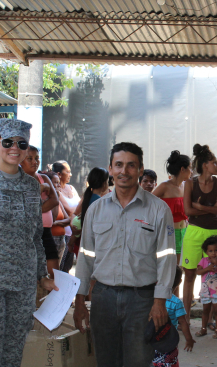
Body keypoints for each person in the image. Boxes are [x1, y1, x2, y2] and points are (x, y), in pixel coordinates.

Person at [73, 142, 177, 367]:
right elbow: (85, 256)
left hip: (142, 301)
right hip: (102, 298)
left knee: (138, 361)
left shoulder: (158, 209)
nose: (124, 171)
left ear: (140, 170)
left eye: (131, 166)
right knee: (106, 361)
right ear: (110, 169)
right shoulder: (96, 210)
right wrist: (80, 298)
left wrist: (160, 301)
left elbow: (167, 257)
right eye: (118, 165)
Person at [0, 119, 57, 366]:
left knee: (13, 356)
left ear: (28, 148)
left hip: (22, 284)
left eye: (22, 143)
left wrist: (42, 275)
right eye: (7, 142)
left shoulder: (32, 187)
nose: (14, 148)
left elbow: (36, 236)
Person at [181, 144, 217, 324]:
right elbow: (187, 211)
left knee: (215, 273)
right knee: (190, 274)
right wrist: (210, 209)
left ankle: (213, 318)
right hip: (194, 231)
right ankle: (185, 317)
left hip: (214, 231)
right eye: (214, 162)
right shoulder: (190, 183)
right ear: (205, 165)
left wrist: (199, 207)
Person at [153, 151, 192, 296]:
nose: (191, 171)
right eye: (190, 167)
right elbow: (149, 203)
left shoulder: (185, 186)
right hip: (169, 232)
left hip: (185, 231)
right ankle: (166, 297)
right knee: (171, 267)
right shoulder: (164, 186)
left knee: (180, 267)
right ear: (182, 169)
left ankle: (175, 298)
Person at [20, 145, 60, 277]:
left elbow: (54, 201)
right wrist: (41, 189)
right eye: (29, 158)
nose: (34, 162)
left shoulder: (44, 178)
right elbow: (21, 203)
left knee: (53, 269)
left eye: (37, 158)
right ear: (21, 160)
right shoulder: (17, 180)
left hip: (45, 229)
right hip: (26, 231)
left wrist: (35, 209)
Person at [152, 266, 195, 367]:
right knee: (170, 363)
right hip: (170, 341)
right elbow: (183, 322)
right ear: (180, 282)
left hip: (152, 339)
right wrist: (189, 339)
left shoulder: (152, 300)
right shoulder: (176, 302)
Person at [195, 236, 217, 339]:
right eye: (210, 251)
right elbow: (198, 272)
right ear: (206, 251)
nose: (213, 253)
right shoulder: (203, 261)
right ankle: (203, 328)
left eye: (216, 250)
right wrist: (208, 268)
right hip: (206, 291)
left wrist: (216, 263)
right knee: (205, 310)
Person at [52, 160, 80, 273]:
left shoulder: (72, 188)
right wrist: (78, 211)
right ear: (59, 174)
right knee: (59, 269)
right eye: (67, 171)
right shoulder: (56, 192)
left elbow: (78, 209)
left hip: (73, 234)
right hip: (62, 235)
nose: (70, 174)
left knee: (67, 268)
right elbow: (69, 211)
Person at [46, 171, 71, 264]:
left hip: (61, 239)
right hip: (51, 239)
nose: (59, 185)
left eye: (58, 182)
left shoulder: (58, 200)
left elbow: (68, 219)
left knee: (58, 270)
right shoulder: (47, 200)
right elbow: (52, 218)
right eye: (55, 182)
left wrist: (57, 223)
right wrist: (55, 197)